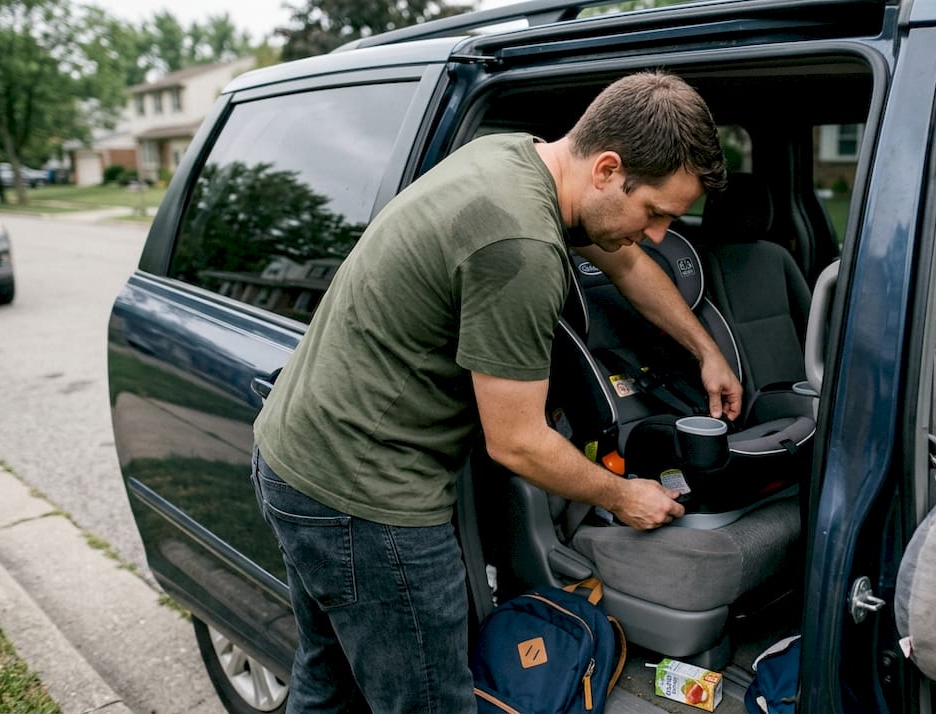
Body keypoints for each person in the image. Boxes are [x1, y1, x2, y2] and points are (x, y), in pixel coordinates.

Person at [250, 69, 738, 713]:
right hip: (364, 501)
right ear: (607, 168)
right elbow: (518, 443)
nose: (655, 234)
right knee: (429, 701)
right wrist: (625, 497)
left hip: (298, 461)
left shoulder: (515, 156)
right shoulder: (520, 244)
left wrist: (705, 349)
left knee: (328, 681)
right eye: (654, 213)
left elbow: (622, 258)